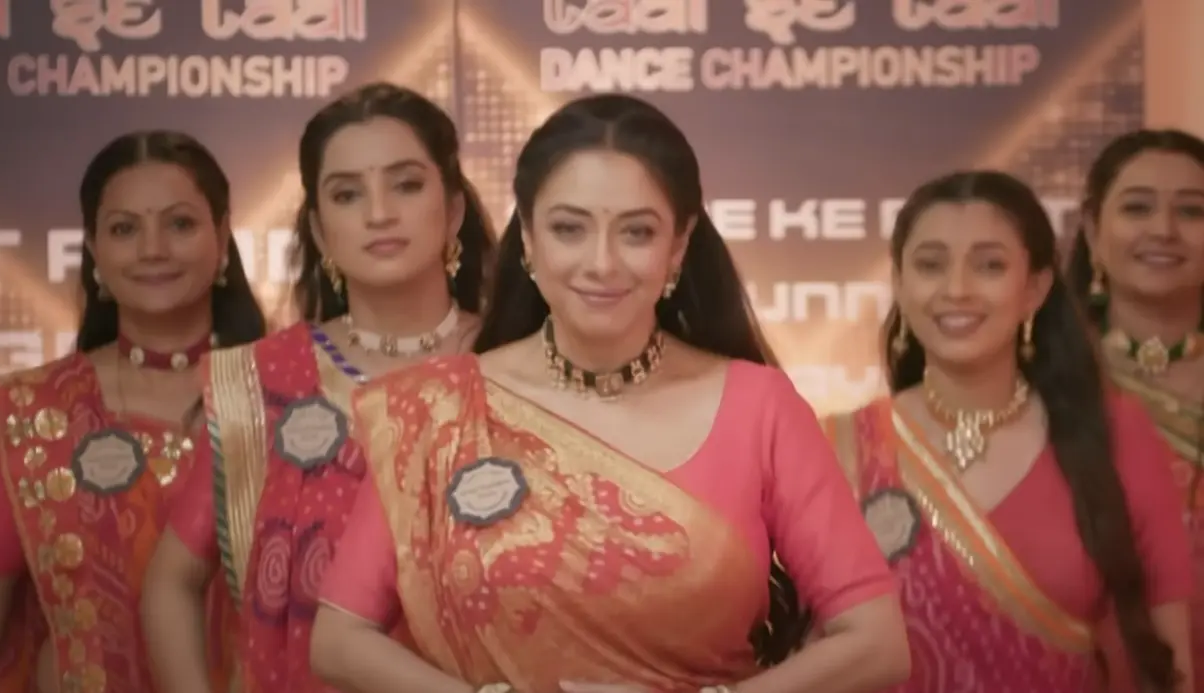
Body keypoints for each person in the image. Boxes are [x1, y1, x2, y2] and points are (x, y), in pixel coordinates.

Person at [308, 93, 910, 693]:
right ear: (529, 239)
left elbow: (876, 643)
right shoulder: (438, 409)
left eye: (637, 232)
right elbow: (339, 639)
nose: (602, 263)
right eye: (569, 229)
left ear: (678, 245)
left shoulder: (759, 405)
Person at [141, 82, 496, 693]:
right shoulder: (265, 381)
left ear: (455, 209)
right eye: (347, 194)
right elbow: (171, 582)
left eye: (406, 185)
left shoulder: (514, 364)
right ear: (320, 229)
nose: (379, 213)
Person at [824, 170, 1194, 691]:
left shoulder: (1113, 434)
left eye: (990, 266)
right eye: (930, 265)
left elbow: (1170, 660)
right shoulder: (840, 447)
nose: (956, 289)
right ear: (900, 285)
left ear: (1035, 289)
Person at [0, 131, 267, 693]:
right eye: (124, 229)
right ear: (93, 250)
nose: (153, 248)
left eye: (180, 224)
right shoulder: (35, 414)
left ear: (222, 237)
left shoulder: (283, 395)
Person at [1067, 129, 1204, 692]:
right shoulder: (1049, 386)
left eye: (1192, 211)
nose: (1164, 230)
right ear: (1093, 232)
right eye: (1138, 208)